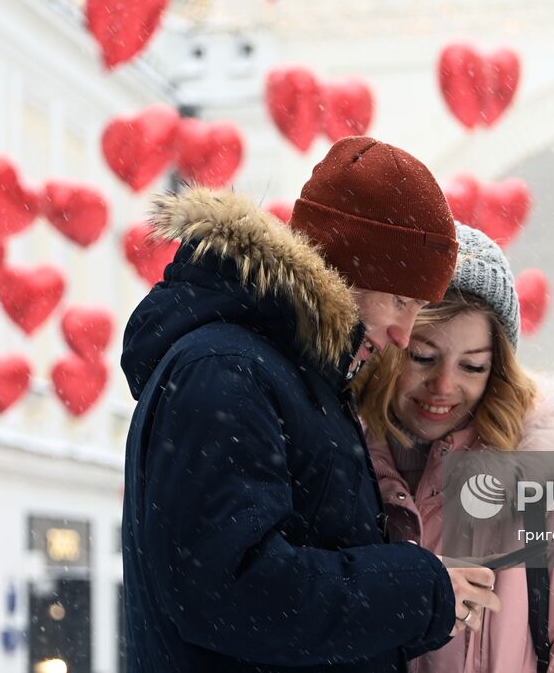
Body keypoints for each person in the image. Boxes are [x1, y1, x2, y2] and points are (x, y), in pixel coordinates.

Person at [119, 137, 500, 672]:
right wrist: (419, 589)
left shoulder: (286, 376)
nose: (402, 333)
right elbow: (232, 592)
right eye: (400, 300)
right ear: (345, 267)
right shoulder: (227, 372)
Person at [353, 225, 554, 672]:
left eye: (472, 365)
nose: (445, 386)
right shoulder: (336, 466)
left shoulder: (552, 494)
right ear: (392, 345)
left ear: (497, 371)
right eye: (424, 357)